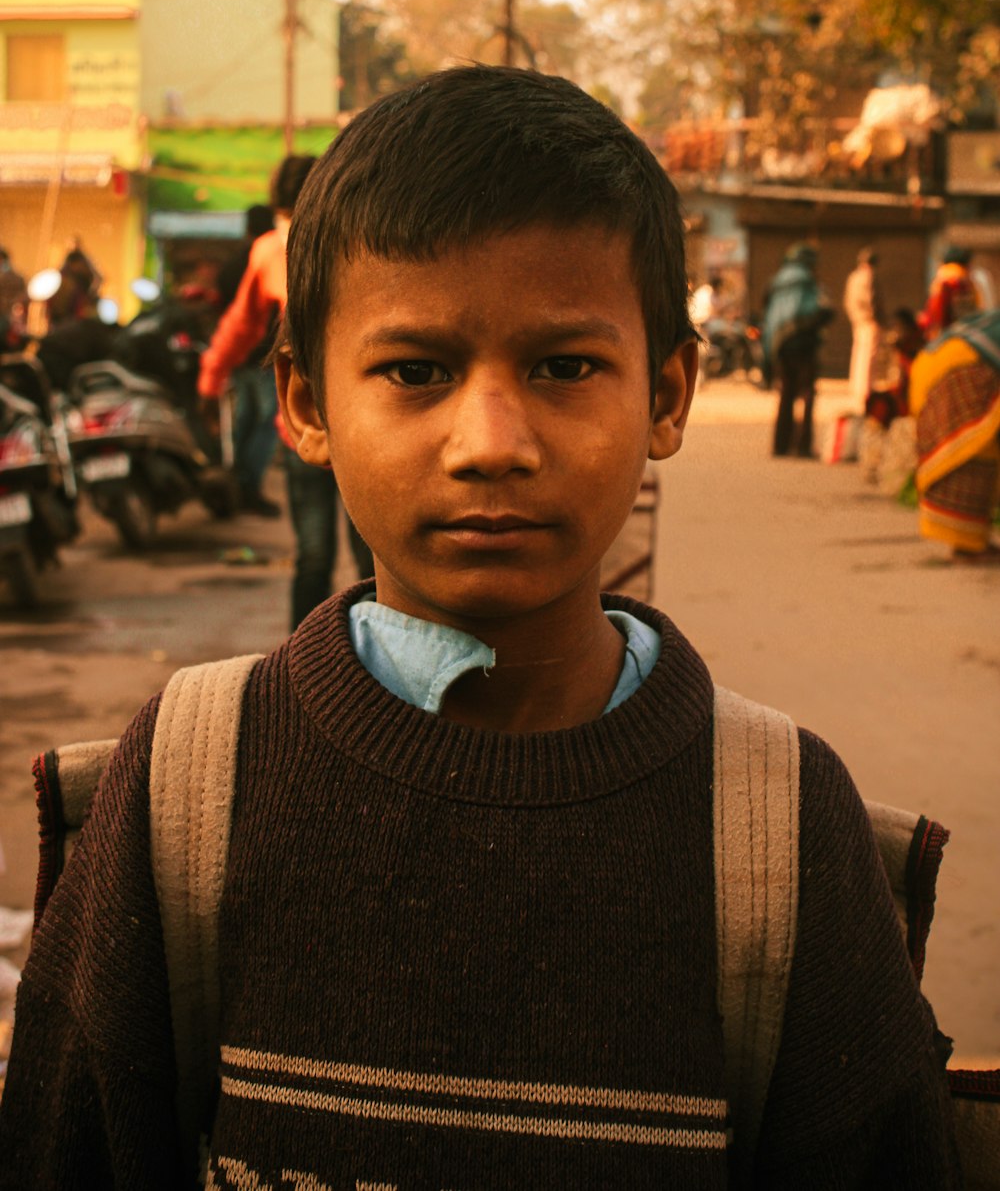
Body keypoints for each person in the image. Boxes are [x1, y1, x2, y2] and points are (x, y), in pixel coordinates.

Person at [0, 68, 958, 1188]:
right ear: (306, 405)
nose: (490, 441)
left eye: (564, 368)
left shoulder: (779, 834)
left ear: (666, 395)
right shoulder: (187, 786)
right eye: (416, 372)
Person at [198, 155, 374, 621]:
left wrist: (210, 379)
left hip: (311, 427)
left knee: (317, 556)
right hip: (362, 422)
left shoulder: (272, 249)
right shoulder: (358, 236)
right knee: (372, 560)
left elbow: (240, 325)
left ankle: (306, 668)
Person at [909, 305, 1000, 561]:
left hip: (935, 364)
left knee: (979, 453)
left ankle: (973, 541)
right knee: (972, 454)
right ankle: (968, 547)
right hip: (959, 371)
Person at [214, 203, 280, 516]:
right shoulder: (269, 260)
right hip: (264, 357)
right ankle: (247, 486)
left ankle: (236, 483)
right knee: (267, 422)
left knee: (244, 420)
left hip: (240, 357)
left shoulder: (231, 266)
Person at [762, 244, 834, 457]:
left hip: (781, 347)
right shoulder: (809, 282)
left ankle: (780, 445)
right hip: (805, 346)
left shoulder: (775, 282)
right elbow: (825, 310)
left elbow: (769, 314)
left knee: (785, 394)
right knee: (807, 394)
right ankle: (802, 446)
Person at [843, 246, 883, 412]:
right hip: (869, 321)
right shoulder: (869, 276)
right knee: (869, 358)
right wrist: (878, 320)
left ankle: (857, 389)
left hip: (857, 320)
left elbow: (847, 300)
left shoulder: (853, 277)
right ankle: (866, 392)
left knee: (859, 355)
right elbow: (872, 301)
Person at [918, 246, 982, 341]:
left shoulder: (941, 277)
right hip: (954, 335)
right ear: (967, 263)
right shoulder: (960, 281)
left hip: (938, 334)